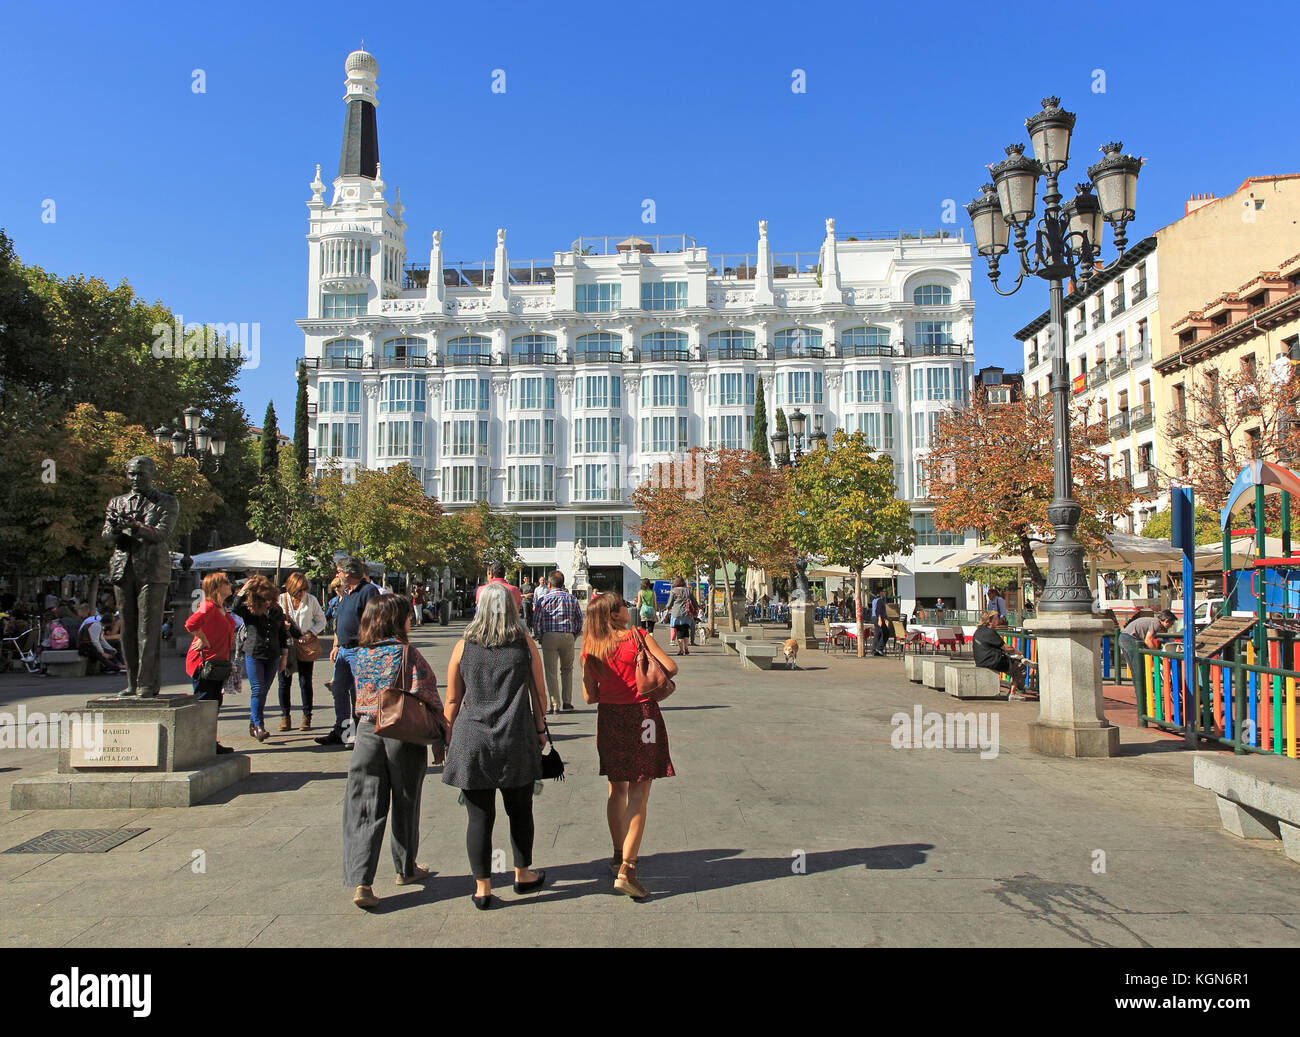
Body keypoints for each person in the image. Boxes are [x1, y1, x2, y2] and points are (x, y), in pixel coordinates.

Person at [442, 582, 547, 910]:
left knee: (479, 817)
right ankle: (521, 873)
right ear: (512, 608)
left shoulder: (463, 646)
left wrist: (447, 739)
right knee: (520, 810)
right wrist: (541, 730)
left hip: (472, 740)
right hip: (516, 738)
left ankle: (483, 888)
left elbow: (451, 698)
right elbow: (539, 694)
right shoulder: (525, 644)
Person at [344, 594, 444, 910]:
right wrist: (441, 731)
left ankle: (362, 882)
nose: (411, 620)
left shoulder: (359, 654)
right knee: (406, 800)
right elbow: (427, 692)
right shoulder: (406, 653)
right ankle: (406, 868)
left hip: (366, 732)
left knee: (364, 805)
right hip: (401, 732)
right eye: (406, 616)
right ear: (396, 620)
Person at [581, 592, 678, 901]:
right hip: (643, 717)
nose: (628, 607)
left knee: (616, 789)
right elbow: (671, 668)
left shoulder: (590, 648)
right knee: (640, 792)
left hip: (610, 718)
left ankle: (617, 853)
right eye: (623, 605)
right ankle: (628, 868)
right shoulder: (638, 635)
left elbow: (588, 696)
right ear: (614, 614)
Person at [102, 455, 179, 699]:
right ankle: (132, 683)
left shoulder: (166, 501)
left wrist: (135, 526)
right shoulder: (117, 502)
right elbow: (106, 536)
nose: (135, 478)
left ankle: (146, 683)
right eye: (132, 474)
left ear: (151, 474)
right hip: (123, 569)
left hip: (152, 571)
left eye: (141, 474)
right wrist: (115, 529)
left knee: (148, 629)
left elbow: (160, 534)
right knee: (127, 630)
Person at [318, 557, 382, 747]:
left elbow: (373, 621)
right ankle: (342, 730)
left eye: (338, 571)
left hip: (358, 650)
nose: (337, 575)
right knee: (339, 690)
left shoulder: (368, 591)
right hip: (344, 650)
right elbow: (341, 620)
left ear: (347, 572)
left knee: (358, 693)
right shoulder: (347, 591)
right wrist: (336, 644)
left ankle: (358, 734)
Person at [233, 575, 296, 743]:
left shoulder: (277, 611)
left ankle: (253, 723)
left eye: (270, 599)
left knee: (264, 691)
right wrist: (246, 588)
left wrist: (284, 657)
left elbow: (283, 634)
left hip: (273, 655)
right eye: (264, 599)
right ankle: (259, 726)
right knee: (257, 689)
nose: (268, 603)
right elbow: (235, 607)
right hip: (255, 653)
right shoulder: (250, 610)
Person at [185, 573, 237, 755]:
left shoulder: (221, 607)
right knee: (205, 702)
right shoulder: (207, 606)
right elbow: (190, 624)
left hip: (218, 663)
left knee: (214, 703)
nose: (230, 584)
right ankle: (199, 744)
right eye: (227, 582)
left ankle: (209, 742)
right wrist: (202, 639)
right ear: (217, 587)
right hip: (205, 662)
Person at [278, 573, 327, 732]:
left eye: (304, 590)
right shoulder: (281, 600)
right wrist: (282, 625)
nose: (302, 594)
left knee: (305, 681)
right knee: (284, 682)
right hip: (286, 644)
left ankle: (307, 716)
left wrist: (311, 632)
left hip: (304, 644)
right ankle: (285, 716)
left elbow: (322, 620)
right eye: (299, 591)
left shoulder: (310, 600)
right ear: (292, 588)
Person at [532, 570, 583, 713]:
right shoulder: (572, 599)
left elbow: (537, 621)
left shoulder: (543, 600)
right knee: (567, 669)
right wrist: (575, 634)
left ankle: (555, 704)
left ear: (549, 584)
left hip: (549, 635)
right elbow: (579, 619)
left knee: (551, 671)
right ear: (562, 583)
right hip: (567, 636)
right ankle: (567, 701)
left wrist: (539, 636)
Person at [1119, 609, 1176, 704]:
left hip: (1123, 638)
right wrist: (1158, 653)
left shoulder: (1152, 621)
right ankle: (1141, 696)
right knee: (1138, 669)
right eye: (1171, 624)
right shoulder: (1156, 623)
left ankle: (1140, 694)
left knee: (1135, 669)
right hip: (1129, 640)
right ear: (1166, 621)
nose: (1171, 626)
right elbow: (1148, 640)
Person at [972, 611, 1027, 694]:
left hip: (980, 661)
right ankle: (1015, 691)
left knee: (1012, 665)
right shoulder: (990, 632)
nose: (998, 620)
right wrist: (1018, 652)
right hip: (992, 661)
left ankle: (1015, 689)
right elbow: (1007, 648)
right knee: (1020, 666)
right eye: (996, 618)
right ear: (990, 621)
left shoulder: (979, 631)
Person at [666, 577, 694, 656]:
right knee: (686, 631)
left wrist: (667, 608)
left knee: (679, 632)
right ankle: (686, 648)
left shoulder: (673, 591)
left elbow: (670, 603)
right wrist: (696, 608)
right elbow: (694, 601)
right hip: (687, 613)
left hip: (677, 613)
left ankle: (681, 650)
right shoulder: (688, 590)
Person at [871, 588, 890, 657]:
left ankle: (875, 650)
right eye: (884, 591)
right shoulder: (879, 600)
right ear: (880, 592)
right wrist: (880, 619)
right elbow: (878, 611)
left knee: (877, 634)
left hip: (875, 618)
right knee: (886, 633)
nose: (885, 593)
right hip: (878, 618)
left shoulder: (875, 599)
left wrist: (887, 618)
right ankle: (879, 648)